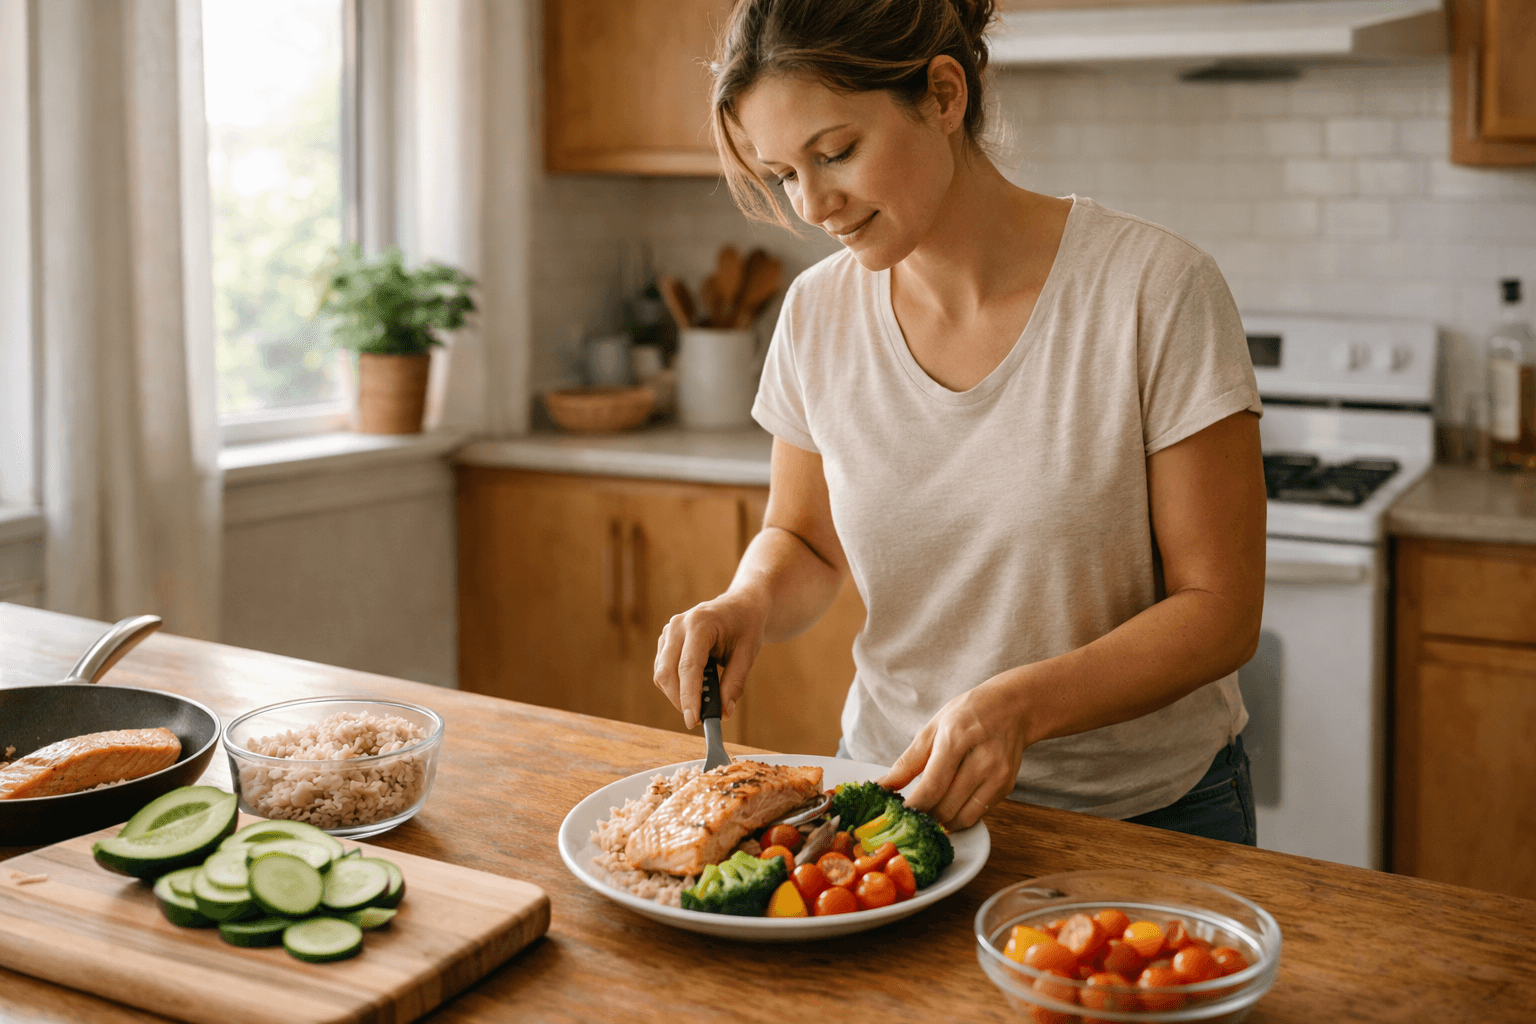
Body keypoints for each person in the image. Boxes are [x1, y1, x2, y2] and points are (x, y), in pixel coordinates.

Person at [651, 0, 1267, 845]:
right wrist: (748, 601)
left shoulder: (1153, 291)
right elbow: (805, 540)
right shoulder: (814, 315)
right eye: (786, 173)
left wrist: (1020, 705)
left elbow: (1220, 609)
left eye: (836, 153)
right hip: (892, 801)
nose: (814, 205)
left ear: (944, 96)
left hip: (1145, 819)